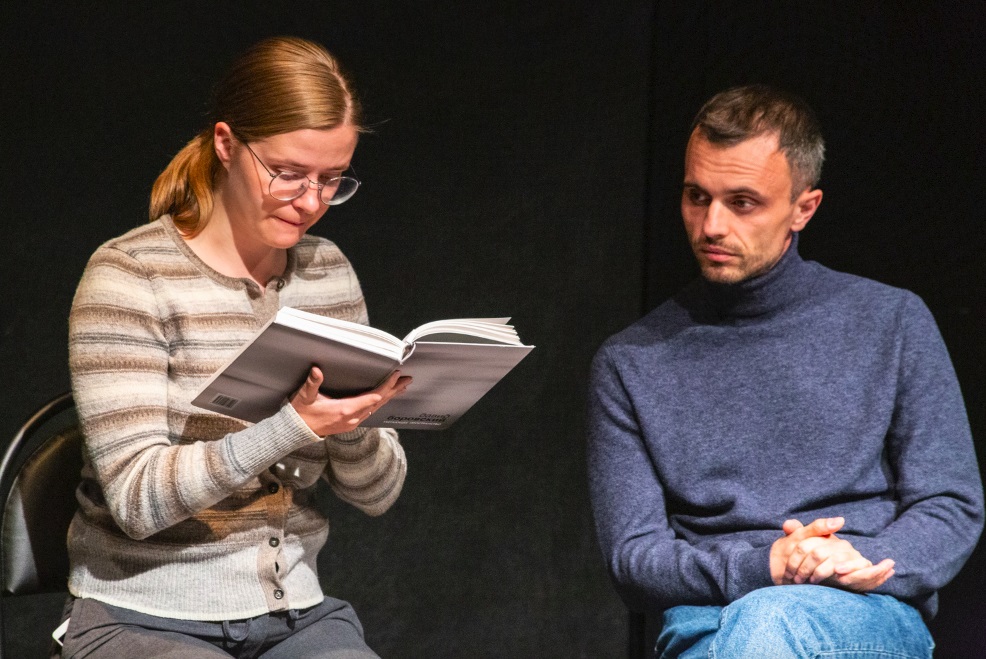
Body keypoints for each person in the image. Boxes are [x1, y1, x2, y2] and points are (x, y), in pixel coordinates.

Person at [586, 84, 983, 658]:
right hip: (710, 623)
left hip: (864, 613)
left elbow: (950, 503)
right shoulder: (632, 361)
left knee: (771, 625)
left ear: (804, 207)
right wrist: (763, 566)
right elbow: (633, 558)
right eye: (696, 196)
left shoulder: (891, 321)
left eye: (742, 202)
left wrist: (860, 559)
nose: (711, 224)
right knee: (760, 627)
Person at [60, 36, 411, 658]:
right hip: (143, 614)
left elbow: (378, 495)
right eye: (288, 174)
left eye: (331, 179)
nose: (311, 202)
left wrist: (352, 423)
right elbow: (137, 500)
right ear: (226, 144)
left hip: (292, 614)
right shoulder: (131, 275)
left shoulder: (327, 273)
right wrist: (292, 426)